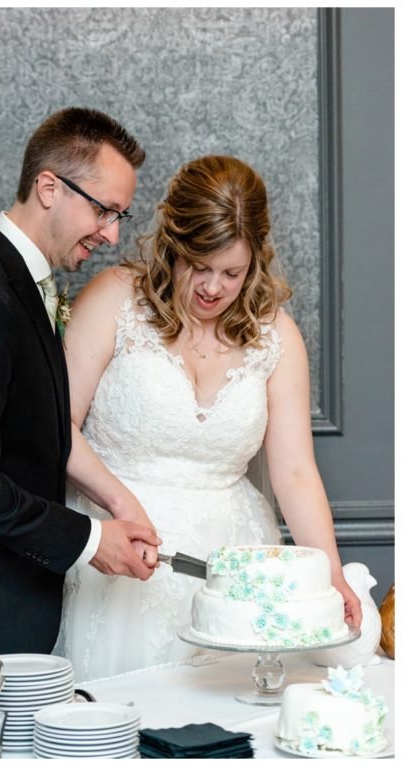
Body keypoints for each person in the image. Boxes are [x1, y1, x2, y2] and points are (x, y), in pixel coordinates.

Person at [0, 107, 162, 720]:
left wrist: (121, 507)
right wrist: (91, 539)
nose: (112, 235)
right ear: (48, 188)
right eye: (104, 211)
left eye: (120, 216)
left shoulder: (14, 279)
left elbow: (35, 429)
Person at [55, 155, 361, 681]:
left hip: (231, 568)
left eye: (232, 273)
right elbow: (58, 427)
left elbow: (293, 472)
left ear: (256, 263)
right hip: (119, 550)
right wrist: (119, 506)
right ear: (173, 245)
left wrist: (330, 571)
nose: (213, 288)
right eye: (199, 265)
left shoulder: (277, 337)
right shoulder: (113, 301)